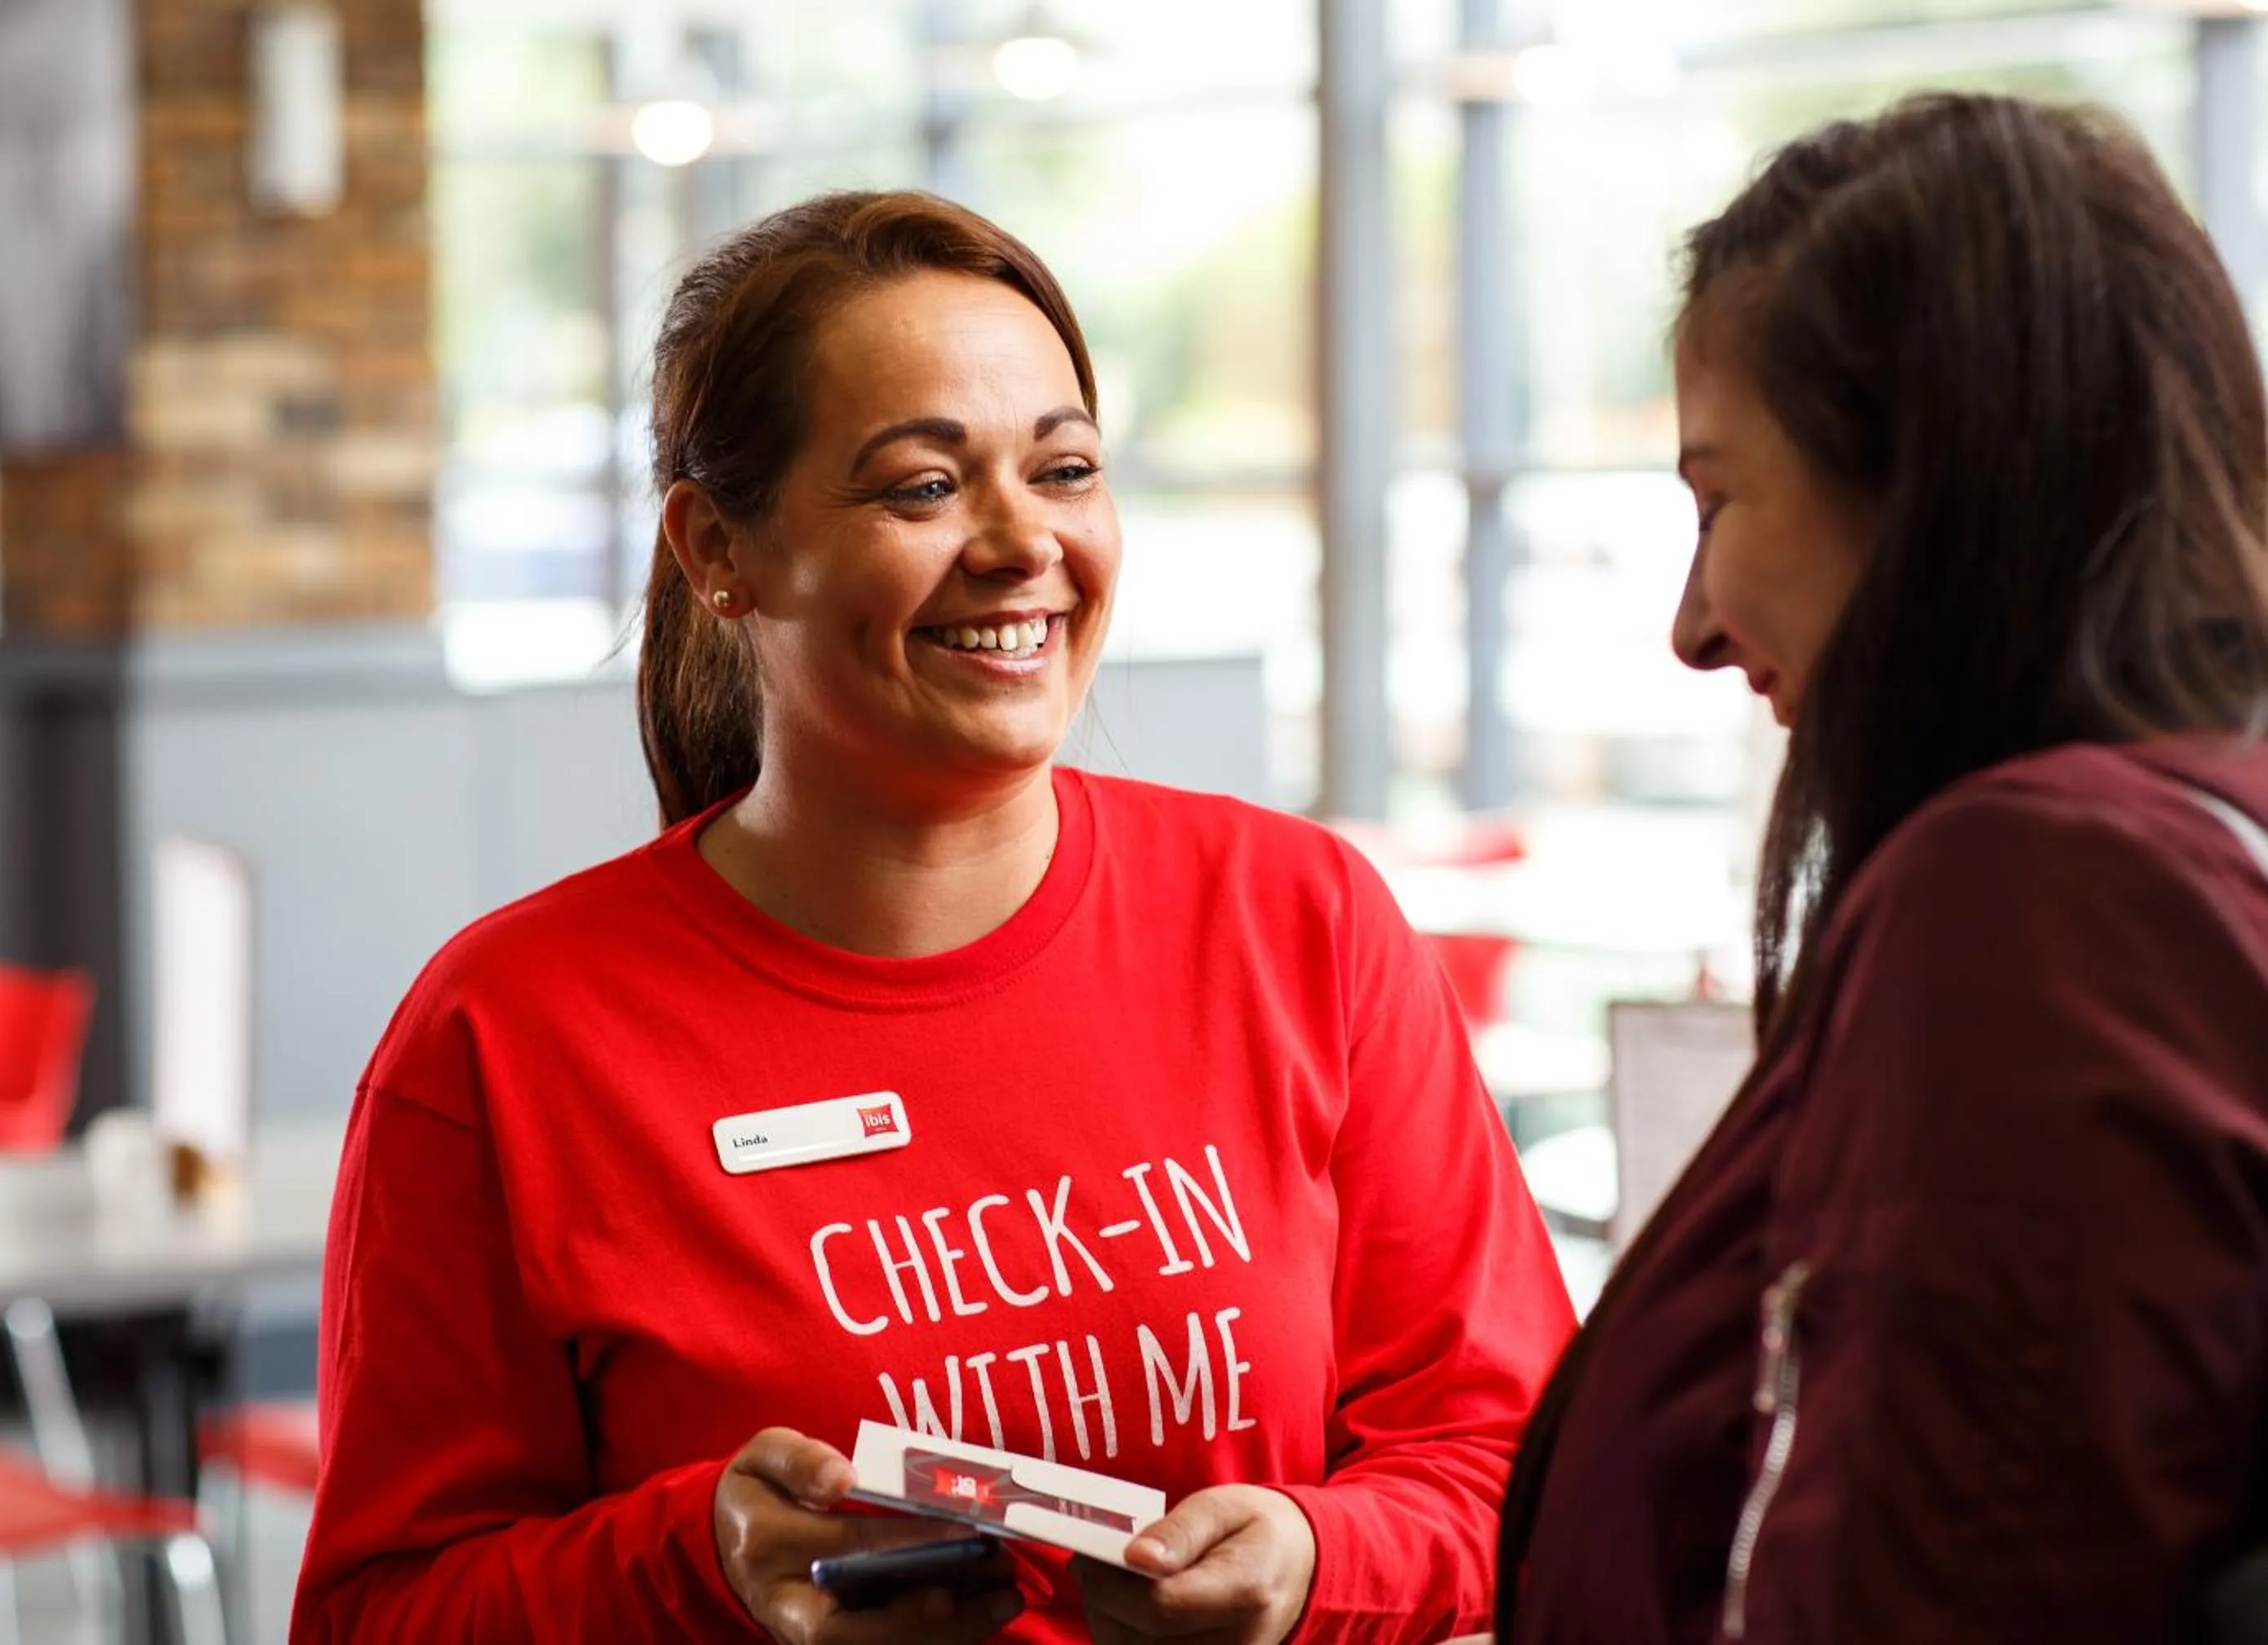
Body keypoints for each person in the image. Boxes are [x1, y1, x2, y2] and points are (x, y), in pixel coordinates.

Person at [291, 189, 1574, 1644]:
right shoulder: (507, 1033)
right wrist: (690, 1567)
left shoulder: (1297, 918)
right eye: (922, 488)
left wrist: (1314, 1557)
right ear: (722, 550)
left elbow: (1520, 1463)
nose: (1023, 543)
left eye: (1067, 469)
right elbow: (377, 1616)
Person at [1494, 92, 2268, 1643]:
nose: (1694, 625)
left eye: (1720, 502)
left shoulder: (2040, 899)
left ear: (1933, 482)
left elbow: (1942, 1574)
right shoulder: (2190, 833)